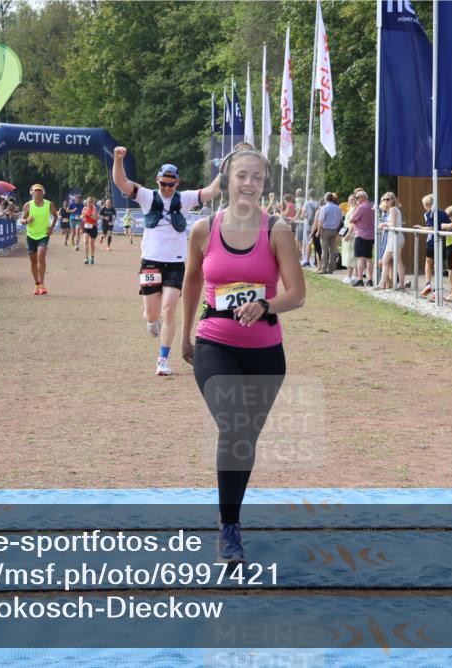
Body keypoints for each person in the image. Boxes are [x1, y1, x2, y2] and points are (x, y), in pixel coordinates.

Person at [180, 146, 305, 562]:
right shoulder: (203, 230)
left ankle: (230, 517)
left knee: (242, 440)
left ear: (264, 184)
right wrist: (184, 337)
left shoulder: (278, 230)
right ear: (227, 180)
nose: (248, 183)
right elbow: (192, 285)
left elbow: (297, 294)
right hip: (215, 341)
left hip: (266, 353)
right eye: (241, 176)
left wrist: (266, 305)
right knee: (233, 426)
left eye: (256, 177)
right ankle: (229, 528)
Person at [112, 146, 222, 376]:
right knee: (152, 314)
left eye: (171, 184)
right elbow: (121, 181)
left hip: (175, 263)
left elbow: (212, 191)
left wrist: (226, 168)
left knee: (169, 308)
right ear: (157, 181)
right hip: (150, 262)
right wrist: (118, 159)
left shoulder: (185, 199)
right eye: (163, 183)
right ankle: (152, 323)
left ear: (177, 183)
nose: (167, 188)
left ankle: (163, 359)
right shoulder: (146, 195)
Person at [19, 184, 58, 295]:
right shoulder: (28, 205)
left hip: (43, 235)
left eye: (39, 191)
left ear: (43, 193)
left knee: (41, 257)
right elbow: (21, 221)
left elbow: (55, 216)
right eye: (35, 191)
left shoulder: (48, 204)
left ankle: (42, 284)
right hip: (31, 236)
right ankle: (36, 284)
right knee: (33, 261)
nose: (37, 193)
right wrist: (27, 221)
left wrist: (51, 228)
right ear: (32, 193)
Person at [414, 194, 452, 298]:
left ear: (426, 205)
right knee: (438, 265)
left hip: (431, 241)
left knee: (428, 262)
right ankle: (436, 290)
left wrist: (421, 228)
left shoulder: (428, 214)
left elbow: (431, 228)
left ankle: (428, 284)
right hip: (443, 240)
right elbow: (449, 226)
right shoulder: (443, 213)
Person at [376, 192, 404, 290]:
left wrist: (383, 225)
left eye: (388, 199)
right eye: (384, 199)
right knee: (385, 261)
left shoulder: (393, 209)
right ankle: (381, 284)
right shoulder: (390, 210)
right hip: (392, 237)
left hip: (395, 237)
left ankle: (401, 284)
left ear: (393, 200)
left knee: (398, 261)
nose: (386, 201)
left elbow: (393, 224)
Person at [350, 190, 375, 286]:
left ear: (362, 197)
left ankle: (360, 279)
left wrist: (356, 208)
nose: (356, 200)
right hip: (370, 235)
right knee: (369, 258)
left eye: (357, 198)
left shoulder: (360, 207)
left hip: (360, 234)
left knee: (360, 258)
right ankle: (370, 280)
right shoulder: (371, 206)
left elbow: (352, 219)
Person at [315, 192, 343, 274]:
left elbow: (320, 221)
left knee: (324, 250)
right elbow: (340, 220)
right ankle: (331, 268)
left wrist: (318, 231)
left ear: (325, 199)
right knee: (332, 250)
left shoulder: (324, 208)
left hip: (325, 230)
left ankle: (324, 268)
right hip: (334, 230)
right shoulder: (338, 208)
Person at [81, 197, 99, 264]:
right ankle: (86, 258)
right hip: (86, 227)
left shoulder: (94, 209)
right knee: (86, 241)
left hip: (93, 227)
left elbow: (96, 219)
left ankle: (92, 257)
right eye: (88, 202)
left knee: (92, 243)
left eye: (90, 202)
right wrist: (83, 216)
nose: (89, 203)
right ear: (86, 202)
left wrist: (90, 215)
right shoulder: (84, 208)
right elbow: (81, 217)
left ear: (92, 203)